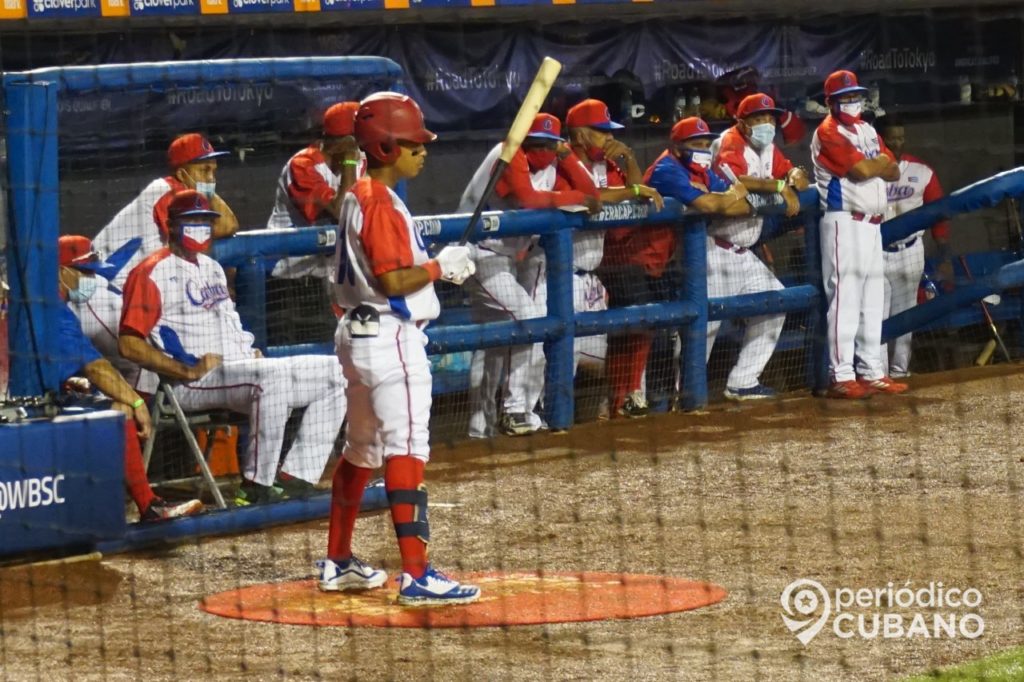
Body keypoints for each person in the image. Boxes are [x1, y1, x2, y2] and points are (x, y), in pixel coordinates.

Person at [319, 92, 480, 605]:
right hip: (390, 337)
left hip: (356, 336)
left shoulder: (355, 194)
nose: (423, 151)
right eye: (413, 143)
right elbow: (392, 279)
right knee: (407, 449)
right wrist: (440, 268)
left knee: (360, 450)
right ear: (387, 147)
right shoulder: (381, 202)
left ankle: (339, 561)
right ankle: (417, 574)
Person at [117, 190, 346, 505]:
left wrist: (248, 349)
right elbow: (129, 344)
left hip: (239, 373)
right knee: (271, 379)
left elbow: (229, 321)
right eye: (192, 221)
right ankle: (254, 486)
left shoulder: (211, 267)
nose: (201, 227)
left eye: (205, 221)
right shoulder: (150, 272)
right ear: (171, 226)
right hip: (191, 382)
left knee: (339, 371)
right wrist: (185, 369)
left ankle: (297, 475)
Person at [458, 113, 600, 437]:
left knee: (492, 345)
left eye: (551, 145)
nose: (545, 151)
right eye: (538, 144)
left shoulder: (553, 160)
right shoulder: (507, 153)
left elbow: (593, 193)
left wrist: (568, 160)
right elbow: (528, 199)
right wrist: (575, 198)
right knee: (527, 318)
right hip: (478, 252)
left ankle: (480, 430)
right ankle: (515, 411)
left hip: (507, 259)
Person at [57, 235, 203, 521]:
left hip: (40, 393)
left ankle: (145, 503)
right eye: (85, 272)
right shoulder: (53, 311)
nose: (91, 278)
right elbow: (96, 367)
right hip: (25, 404)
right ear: (62, 271)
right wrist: (137, 403)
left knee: (117, 407)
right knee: (123, 410)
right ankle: (144, 505)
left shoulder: (50, 305)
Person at [77, 134, 240, 390]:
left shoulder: (179, 192)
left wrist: (205, 189)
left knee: (148, 371)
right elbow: (226, 224)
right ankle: (134, 426)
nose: (211, 178)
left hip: (120, 297)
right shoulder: (164, 191)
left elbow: (227, 222)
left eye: (214, 171)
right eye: (204, 169)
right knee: (143, 368)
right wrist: (202, 192)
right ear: (183, 172)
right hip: (98, 294)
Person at [628, 117, 750, 410]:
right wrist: (730, 197)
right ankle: (634, 402)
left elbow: (741, 205)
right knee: (642, 336)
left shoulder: (700, 168)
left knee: (668, 332)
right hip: (635, 262)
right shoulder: (667, 169)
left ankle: (659, 401)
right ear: (677, 145)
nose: (704, 149)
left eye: (707, 144)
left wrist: (728, 198)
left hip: (664, 261)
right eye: (696, 144)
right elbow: (712, 205)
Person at [565, 98, 663, 418]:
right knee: (555, 347)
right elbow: (591, 198)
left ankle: (621, 400)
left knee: (633, 325)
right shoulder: (563, 161)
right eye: (600, 131)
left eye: (610, 131)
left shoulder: (607, 164)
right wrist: (633, 192)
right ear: (580, 134)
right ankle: (546, 414)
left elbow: (638, 195)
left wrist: (629, 159)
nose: (608, 138)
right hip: (557, 270)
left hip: (596, 266)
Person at [811, 70, 907, 399]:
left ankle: (871, 371)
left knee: (872, 299)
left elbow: (894, 169)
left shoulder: (867, 129)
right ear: (831, 102)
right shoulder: (827, 131)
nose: (853, 102)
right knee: (846, 299)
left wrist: (877, 162)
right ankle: (840, 374)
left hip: (872, 224)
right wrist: (876, 162)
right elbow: (861, 170)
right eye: (845, 97)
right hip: (844, 222)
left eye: (855, 95)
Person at [709, 93, 810, 400]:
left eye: (770, 118)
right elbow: (735, 179)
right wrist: (780, 186)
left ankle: (743, 381)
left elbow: (788, 170)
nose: (766, 124)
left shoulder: (767, 147)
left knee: (775, 305)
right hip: (714, 249)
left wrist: (794, 175)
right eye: (758, 119)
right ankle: (682, 393)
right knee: (704, 328)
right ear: (741, 123)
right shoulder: (729, 142)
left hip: (744, 253)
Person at [265, 101, 365, 341]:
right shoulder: (303, 165)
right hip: (288, 283)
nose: (363, 145)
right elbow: (343, 212)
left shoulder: (358, 161)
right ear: (343, 141)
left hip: (326, 277)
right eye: (358, 139)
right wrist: (350, 161)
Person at [874, 114, 952, 378]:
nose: (896, 143)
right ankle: (879, 373)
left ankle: (899, 369)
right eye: (890, 138)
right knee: (878, 313)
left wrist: (942, 251)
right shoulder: (868, 171)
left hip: (911, 249)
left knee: (906, 312)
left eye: (900, 138)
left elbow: (938, 212)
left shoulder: (921, 170)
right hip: (877, 251)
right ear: (878, 139)